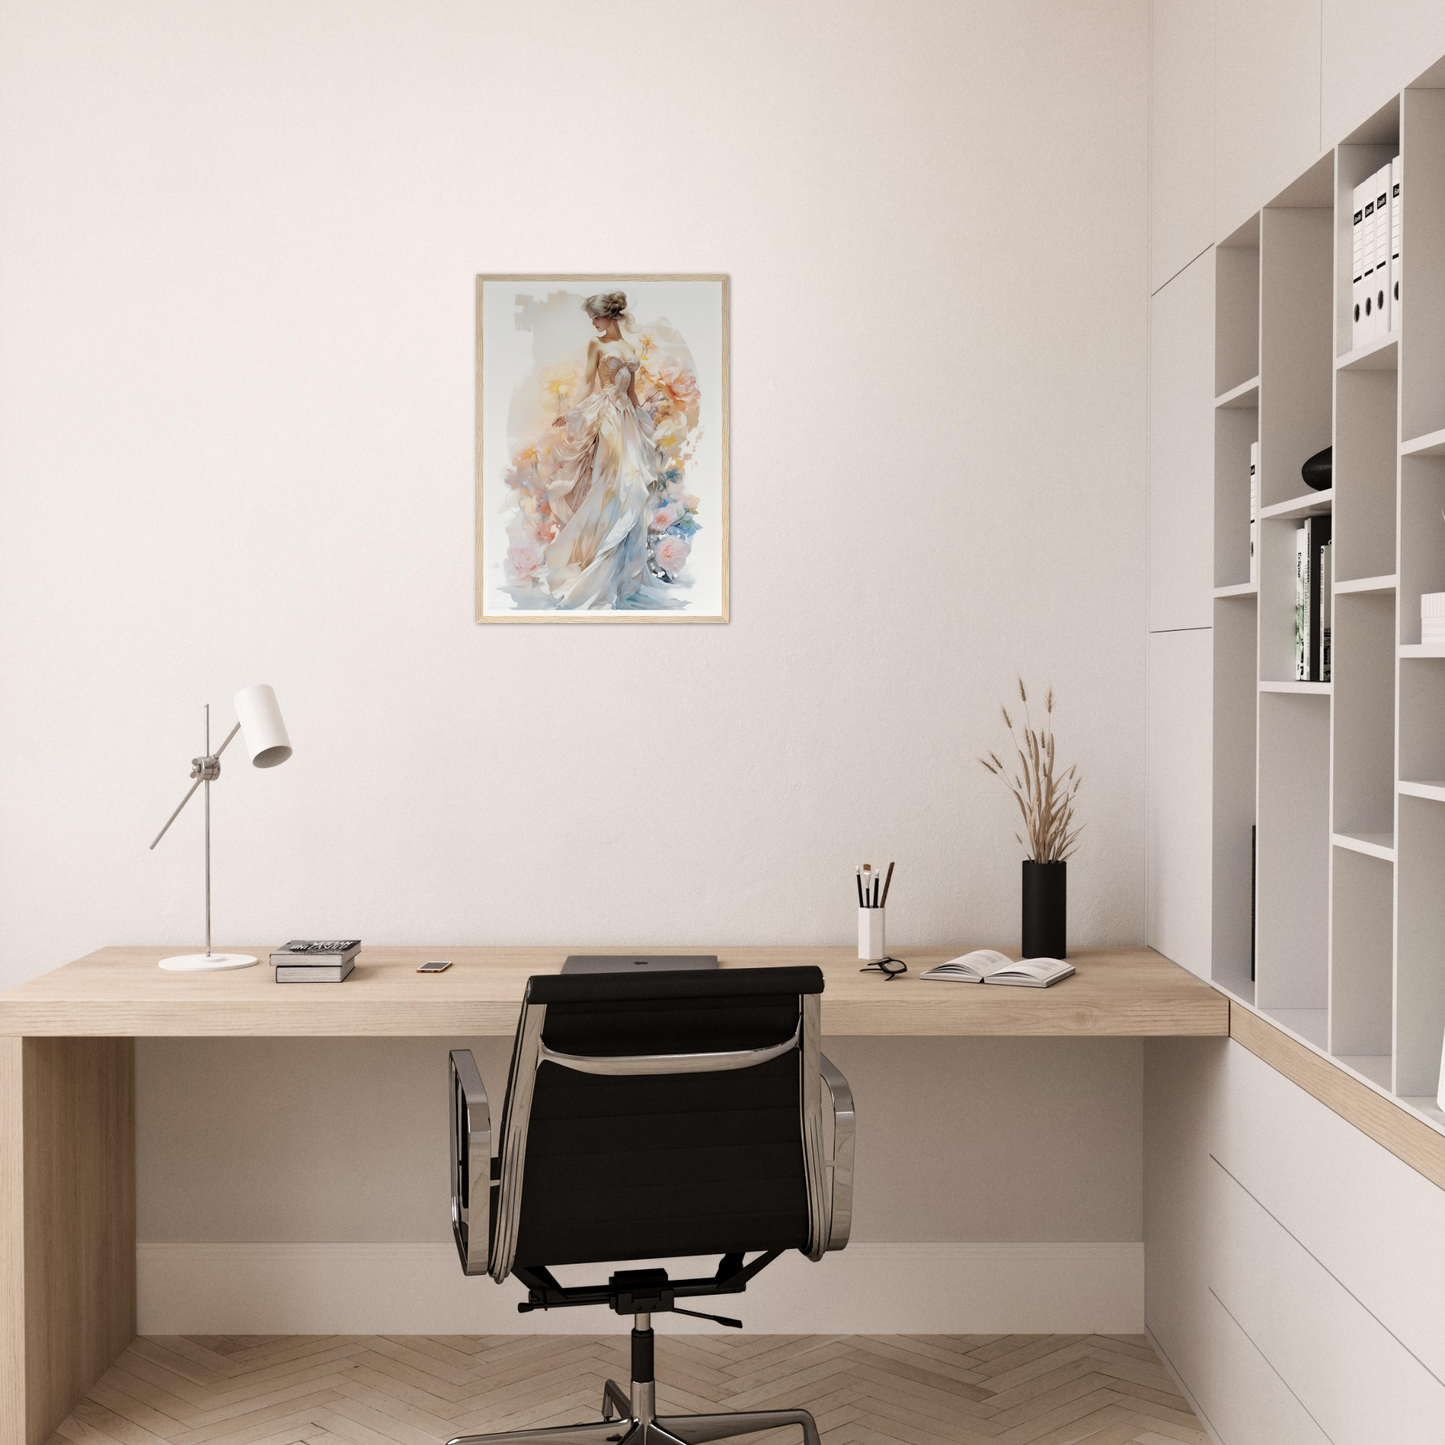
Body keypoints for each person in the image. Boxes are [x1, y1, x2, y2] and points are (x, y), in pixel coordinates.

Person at [543, 292, 678, 609]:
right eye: (591, 318)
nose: (592, 322)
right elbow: (588, 383)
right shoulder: (597, 344)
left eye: (594, 316)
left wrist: (644, 421)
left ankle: (613, 570)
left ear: (608, 316)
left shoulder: (629, 349)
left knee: (627, 486)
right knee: (609, 481)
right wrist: (574, 413)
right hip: (604, 416)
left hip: (626, 419)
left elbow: (631, 392)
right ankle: (593, 561)